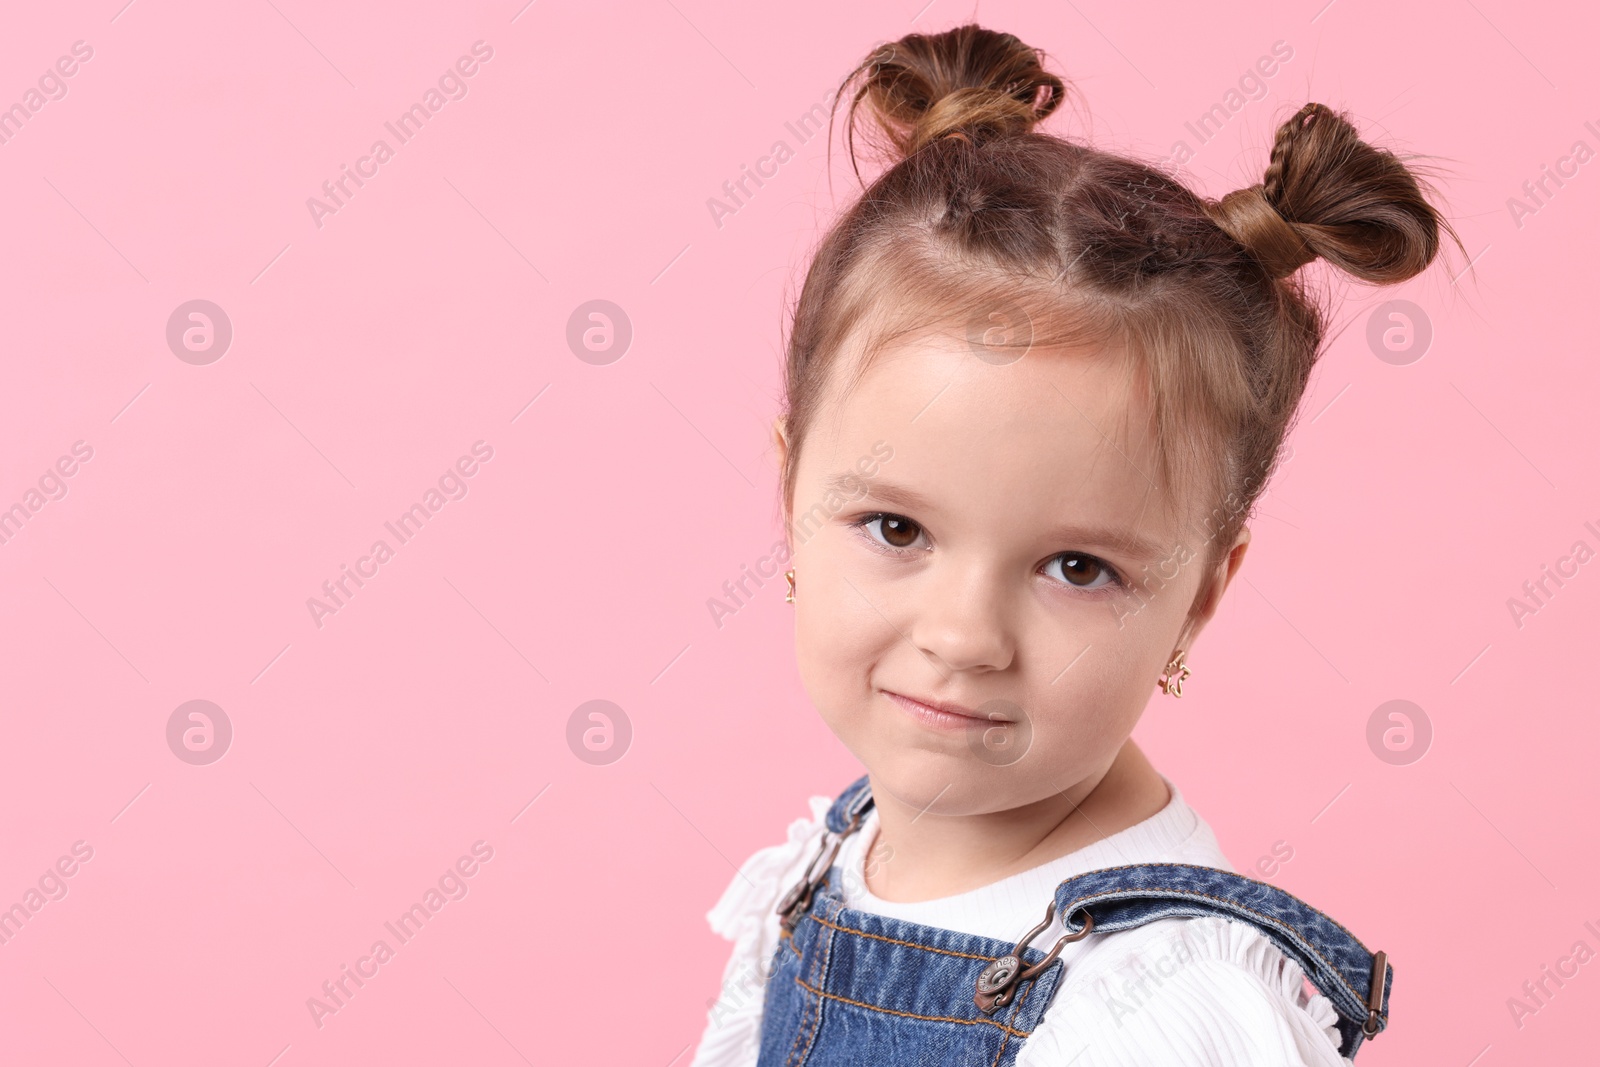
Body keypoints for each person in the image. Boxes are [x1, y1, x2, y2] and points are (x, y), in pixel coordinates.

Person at [691, 22, 1460, 1067]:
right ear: (791, 494)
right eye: (896, 527)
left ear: (1199, 595)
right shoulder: (828, 859)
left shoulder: (1157, 1010)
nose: (964, 636)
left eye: (1077, 567)